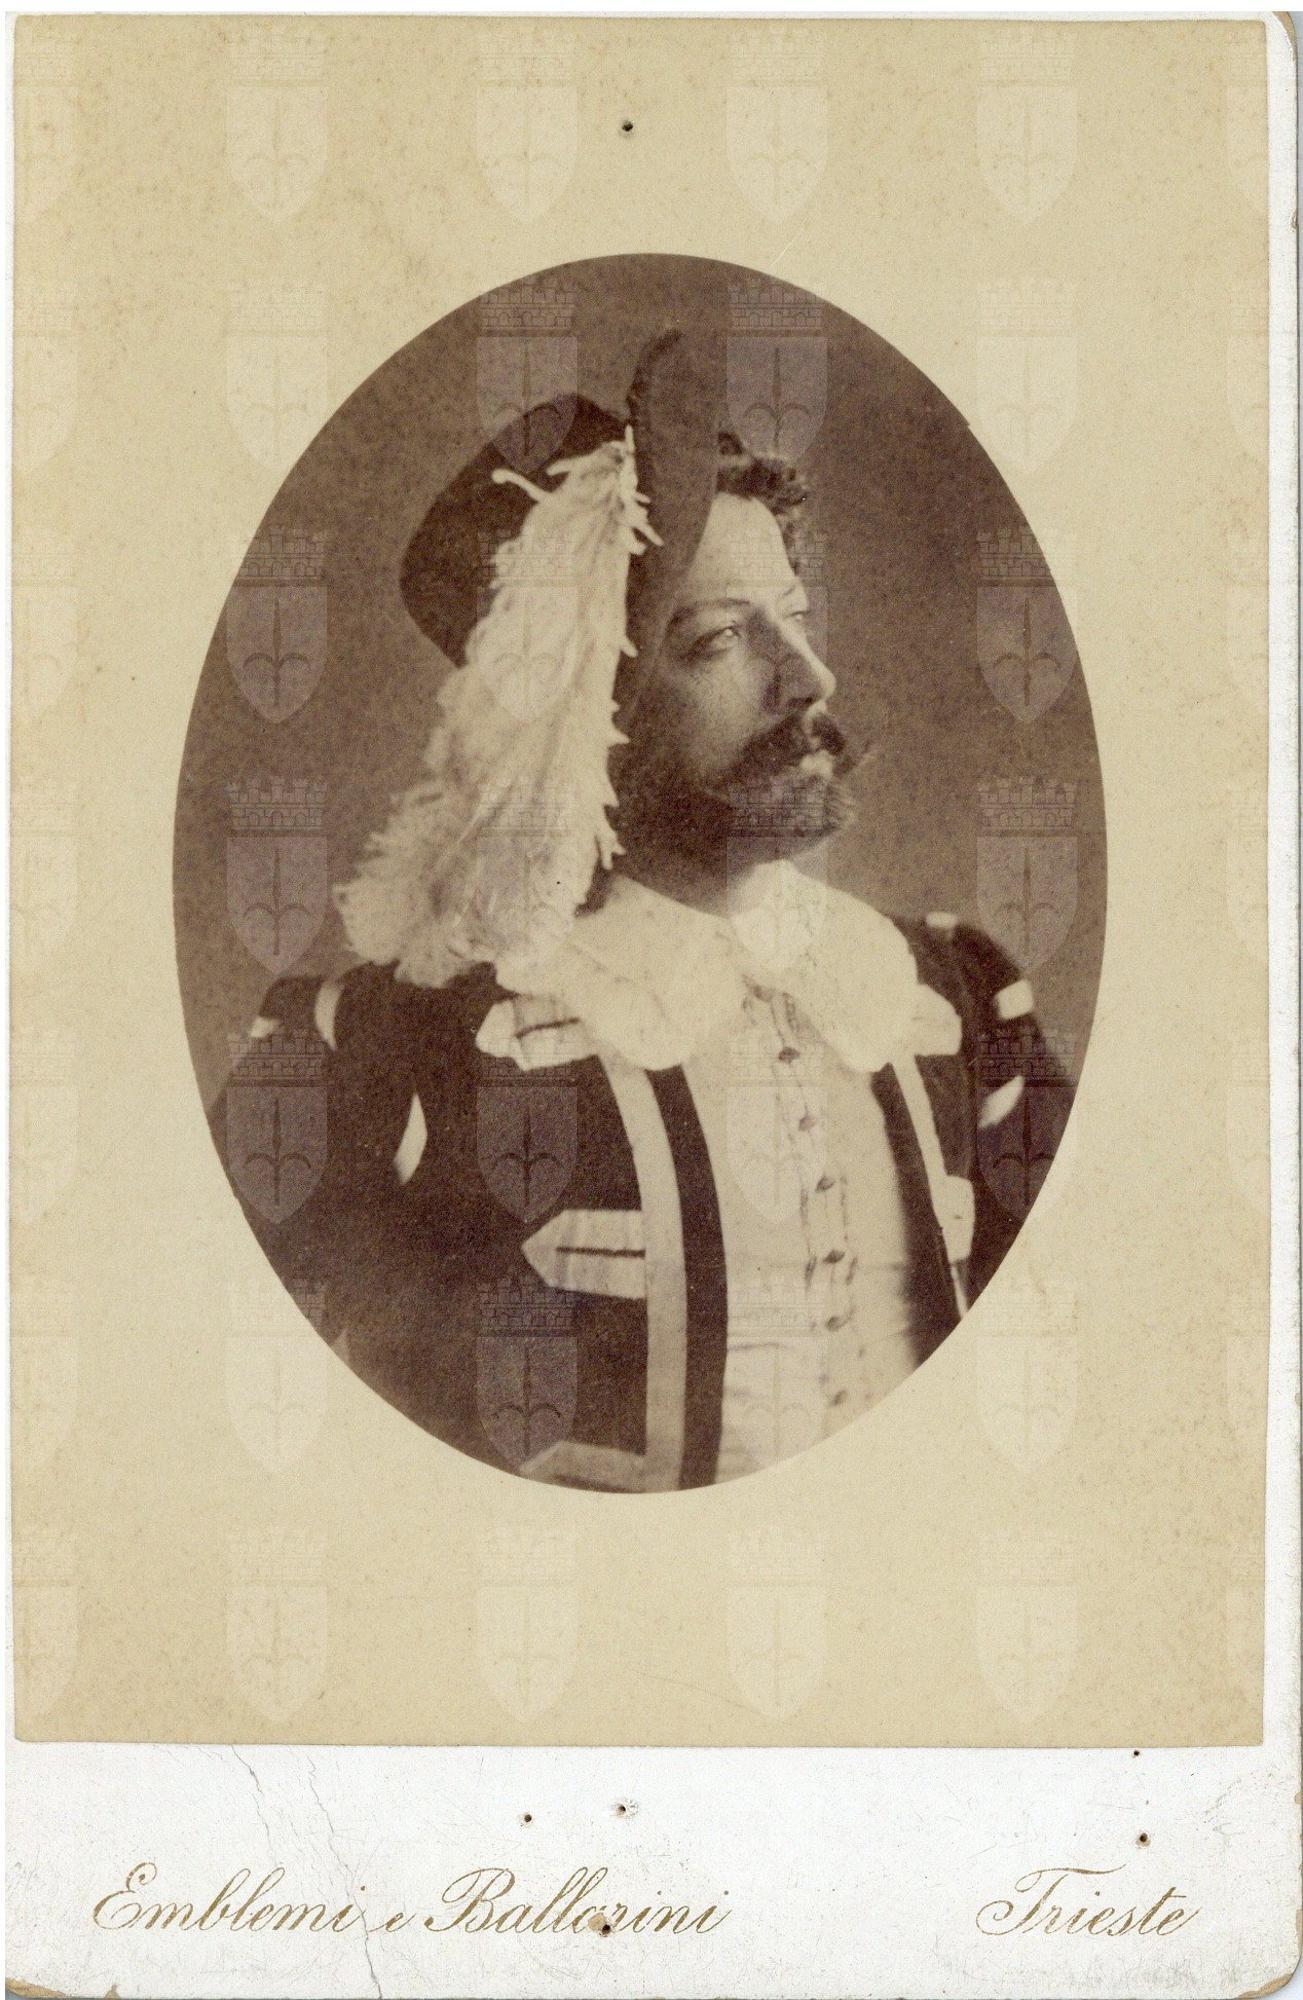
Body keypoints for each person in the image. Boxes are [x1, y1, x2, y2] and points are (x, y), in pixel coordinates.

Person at [216, 329, 1070, 1492]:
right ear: (581, 717)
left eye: (792, 613)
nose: (808, 677)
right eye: (718, 640)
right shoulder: (398, 1053)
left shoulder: (954, 999)